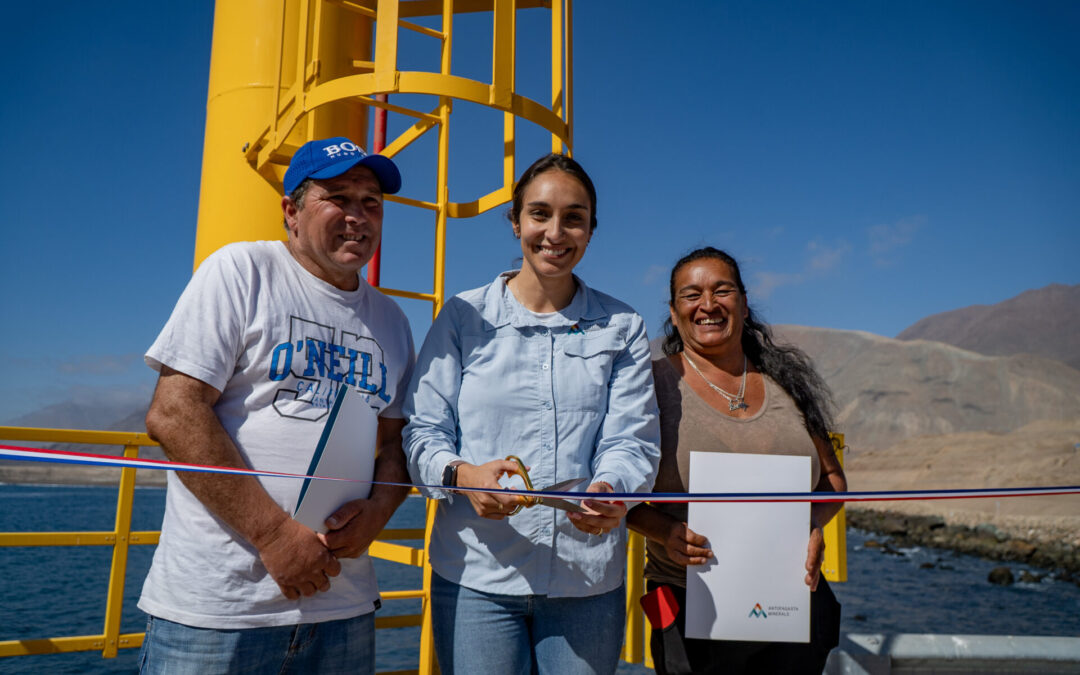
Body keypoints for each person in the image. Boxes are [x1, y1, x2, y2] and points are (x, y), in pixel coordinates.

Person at [138, 137, 415, 674]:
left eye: (371, 203)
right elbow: (174, 412)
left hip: (343, 607)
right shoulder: (241, 271)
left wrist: (377, 514)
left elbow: (394, 446)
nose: (358, 216)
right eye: (338, 198)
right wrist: (274, 536)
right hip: (219, 613)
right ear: (291, 211)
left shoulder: (393, 321)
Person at [403, 153, 661, 675]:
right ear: (515, 221)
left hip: (586, 581)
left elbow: (631, 439)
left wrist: (610, 489)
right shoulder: (461, 316)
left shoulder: (623, 326)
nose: (555, 232)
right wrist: (463, 475)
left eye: (574, 217)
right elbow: (423, 432)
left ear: (590, 229)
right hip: (477, 575)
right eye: (539, 214)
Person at [626, 246, 847, 675]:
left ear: (744, 305)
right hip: (689, 605)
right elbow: (614, 493)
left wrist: (814, 526)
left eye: (721, 290)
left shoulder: (789, 384)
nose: (708, 304)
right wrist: (663, 530)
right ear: (674, 313)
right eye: (691, 295)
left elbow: (833, 480)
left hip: (793, 605)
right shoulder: (647, 386)